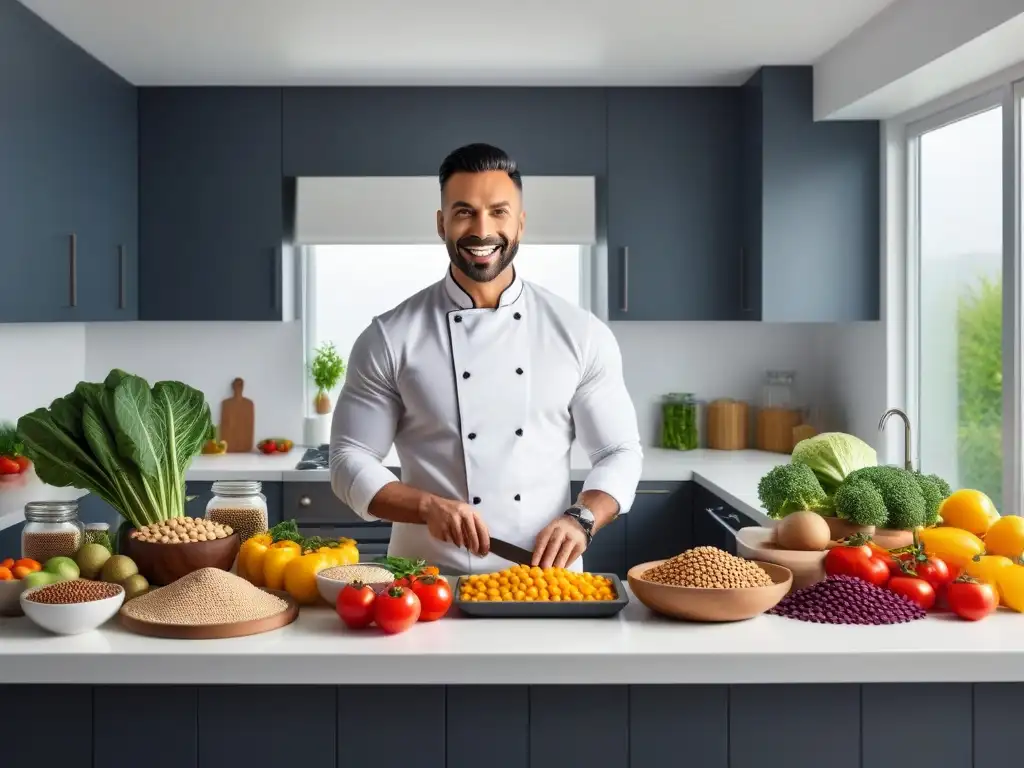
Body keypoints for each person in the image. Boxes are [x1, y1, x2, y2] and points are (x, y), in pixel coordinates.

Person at [329, 142, 643, 574]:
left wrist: (582, 519)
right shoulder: (389, 337)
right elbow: (350, 457)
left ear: (520, 223)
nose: (482, 230)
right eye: (464, 212)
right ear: (441, 224)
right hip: (426, 582)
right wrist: (426, 505)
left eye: (499, 212)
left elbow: (618, 451)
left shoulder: (579, 333)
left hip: (545, 583)